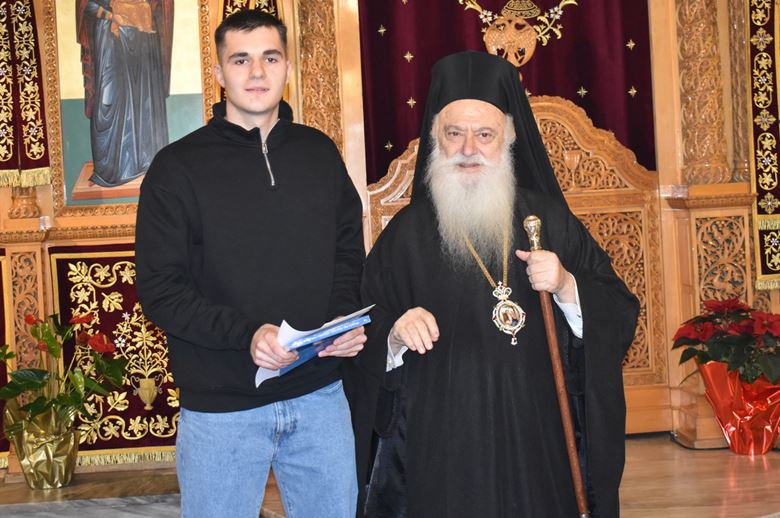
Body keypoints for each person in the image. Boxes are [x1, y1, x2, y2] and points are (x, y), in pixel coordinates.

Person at [348, 51, 640, 518]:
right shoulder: (406, 234)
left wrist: (567, 286)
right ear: (436, 139)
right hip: (440, 446)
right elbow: (363, 322)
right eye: (454, 133)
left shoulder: (548, 220)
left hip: (537, 435)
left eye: (484, 134)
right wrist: (395, 333)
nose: (469, 148)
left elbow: (618, 307)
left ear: (508, 139)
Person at [135, 10, 365, 518]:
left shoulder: (318, 153)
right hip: (223, 409)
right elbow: (160, 288)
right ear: (219, 72)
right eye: (241, 60)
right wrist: (247, 335)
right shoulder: (177, 168)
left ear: (288, 68)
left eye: (270, 58)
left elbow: (348, 251)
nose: (257, 72)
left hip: (319, 396)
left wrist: (341, 320)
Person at [77, 0, 173, 187]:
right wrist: (111, 16)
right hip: (109, 36)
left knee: (144, 99)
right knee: (108, 99)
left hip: (142, 36)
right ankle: (106, 170)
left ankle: (146, 163)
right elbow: (85, 5)